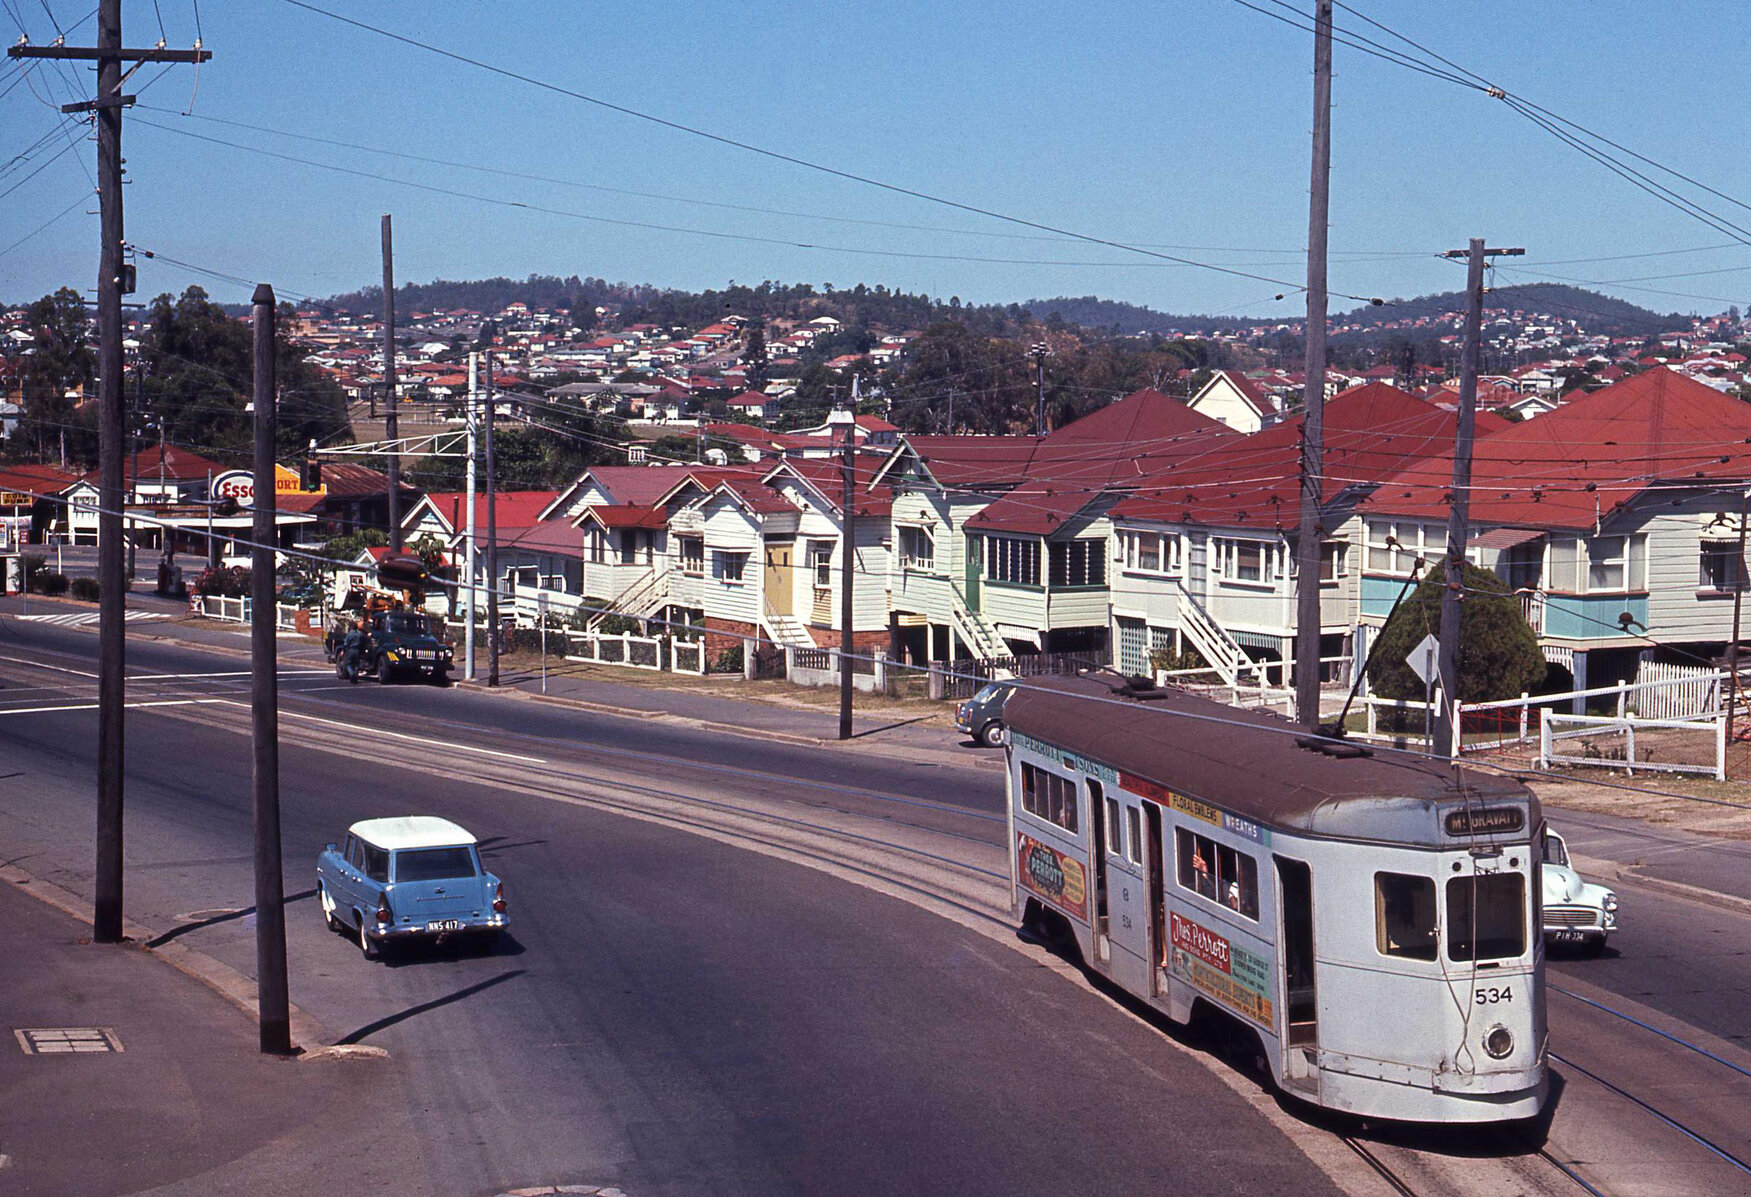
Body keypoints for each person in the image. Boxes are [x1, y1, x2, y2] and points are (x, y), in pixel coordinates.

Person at [340, 619, 364, 684]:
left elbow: (346, 644)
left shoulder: (349, 635)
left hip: (350, 650)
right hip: (357, 650)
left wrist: (343, 650)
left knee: (349, 664)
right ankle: (355, 677)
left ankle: (352, 674)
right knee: (356, 664)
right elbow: (363, 641)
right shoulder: (360, 634)